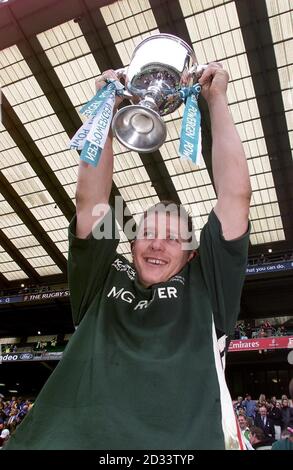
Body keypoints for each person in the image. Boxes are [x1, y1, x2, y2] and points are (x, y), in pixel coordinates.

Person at [5, 62, 251, 450]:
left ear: (191, 255)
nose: (157, 244)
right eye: (149, 233)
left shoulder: (209, 285)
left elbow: (235, 197)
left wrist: (216, 99)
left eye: (173, 238)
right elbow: (92, 201)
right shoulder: (104, 275)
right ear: (132, 244)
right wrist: (109, 105)